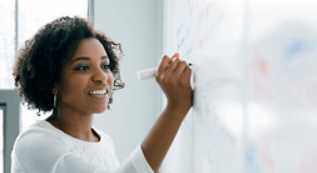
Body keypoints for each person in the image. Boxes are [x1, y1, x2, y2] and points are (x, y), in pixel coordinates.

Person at [11, 16, 193, 173]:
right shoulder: (34, 143)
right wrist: (175, 109)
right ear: (52, 81)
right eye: (83, 67)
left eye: (105, 66)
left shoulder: (104, 142)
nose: (101, 77)